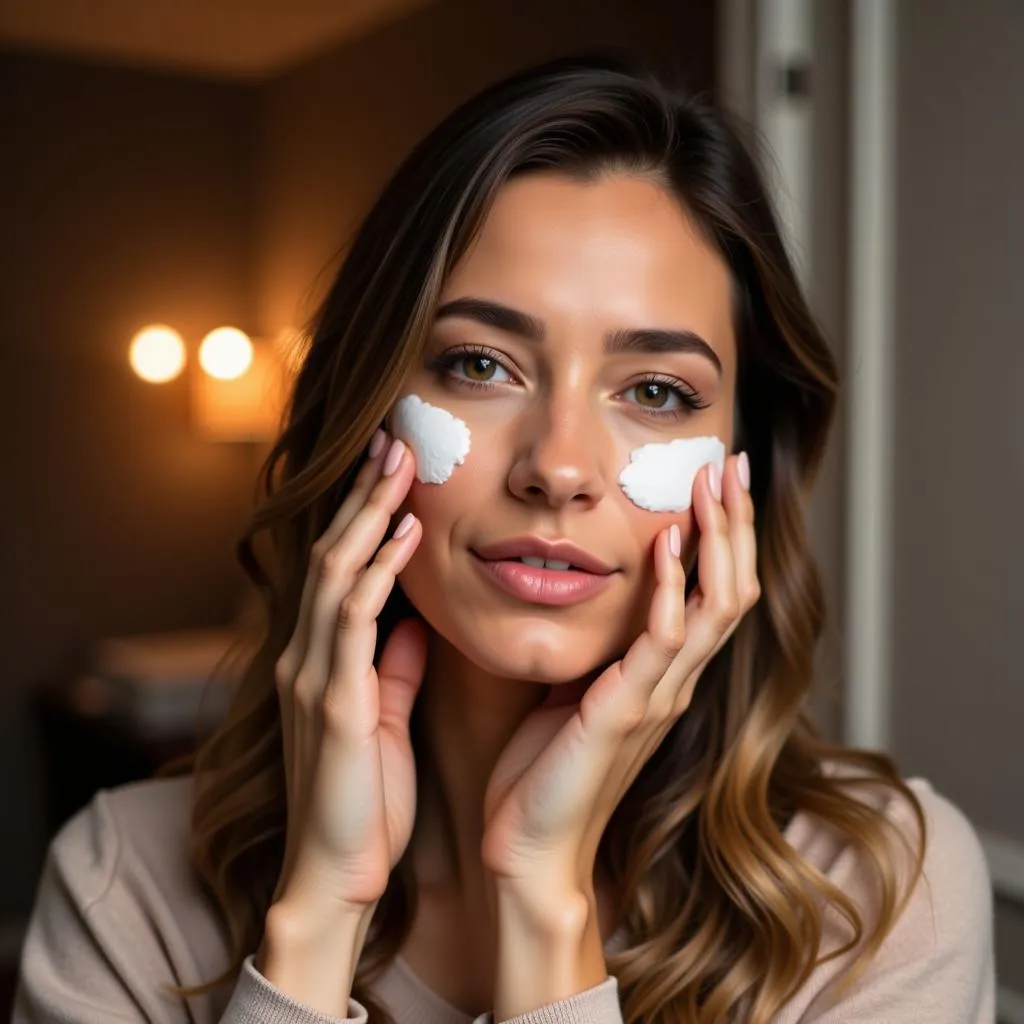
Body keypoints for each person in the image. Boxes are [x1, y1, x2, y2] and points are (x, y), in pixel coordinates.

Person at [14, 55, 995, 1024]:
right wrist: (315, 917)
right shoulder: (123, 884)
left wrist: (543, 905)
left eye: (655, 391)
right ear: (364, 415)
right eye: (479, 364)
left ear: (747, 464)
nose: (558, 466)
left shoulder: (883, 895)